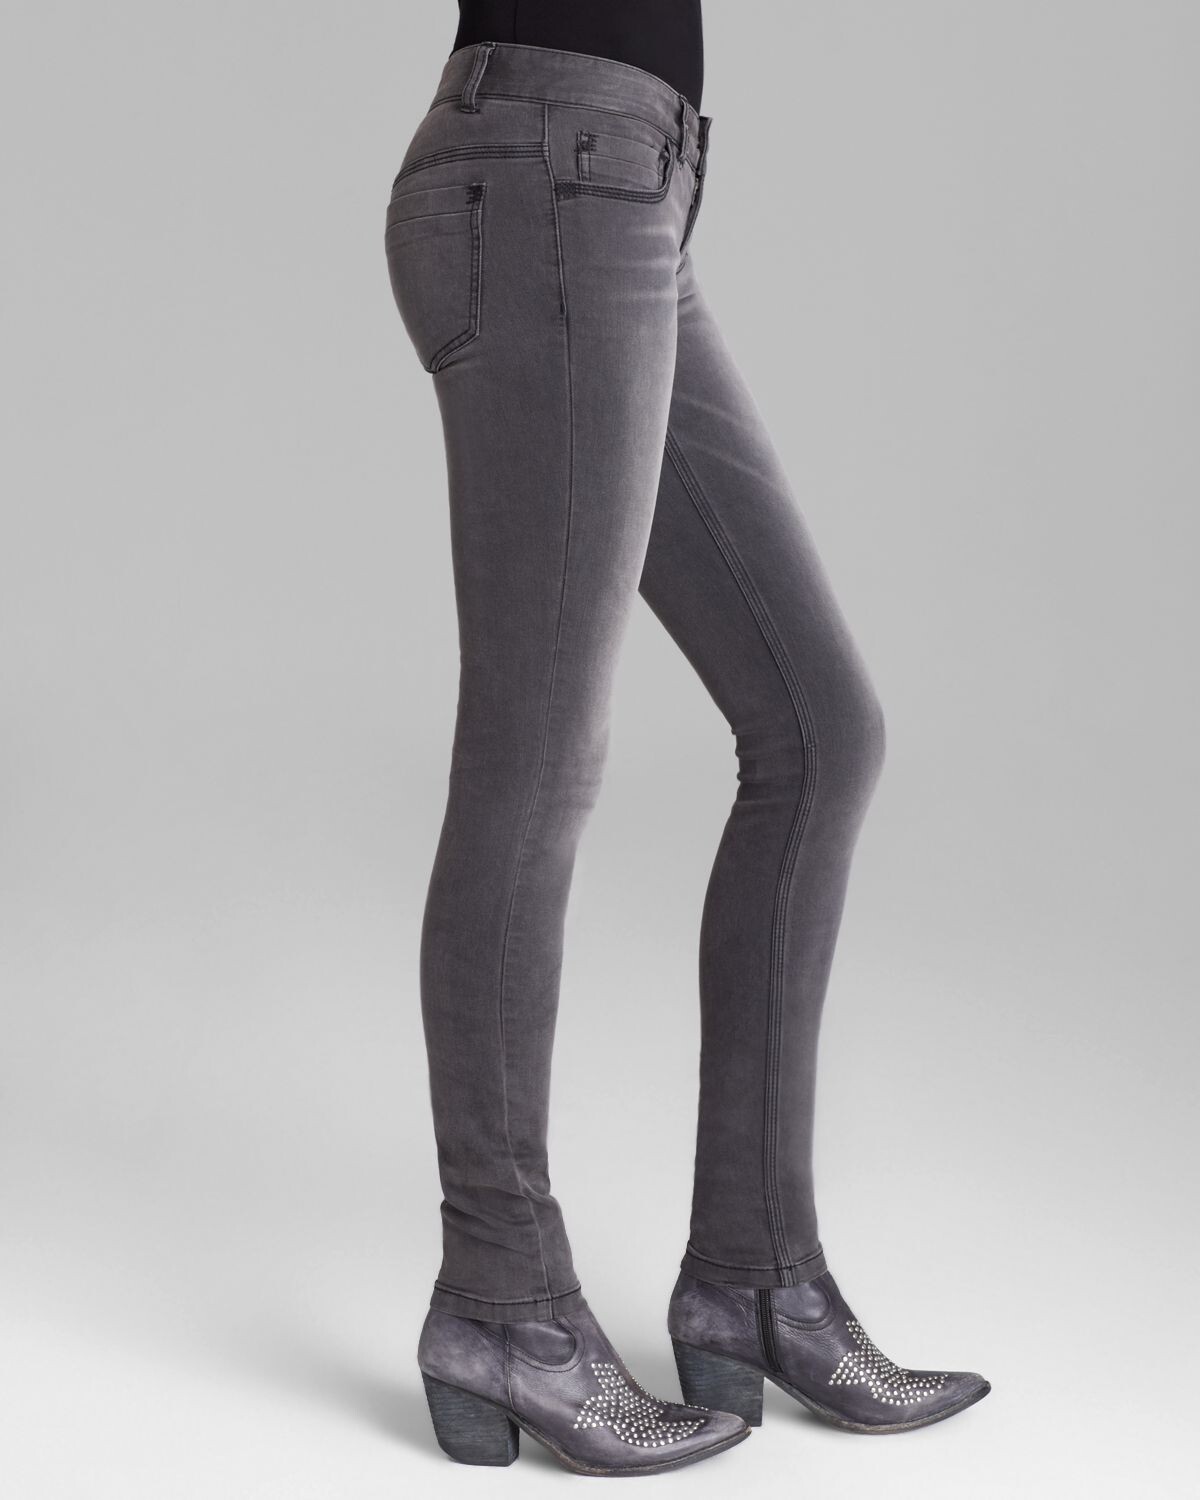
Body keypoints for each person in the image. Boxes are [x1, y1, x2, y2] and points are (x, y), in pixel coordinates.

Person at [383, 4, 990, 1475]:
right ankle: (502, 1300)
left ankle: (756, 1276)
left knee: (820, 729)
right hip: (550, 165)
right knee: (538, 751)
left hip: (625, 180)